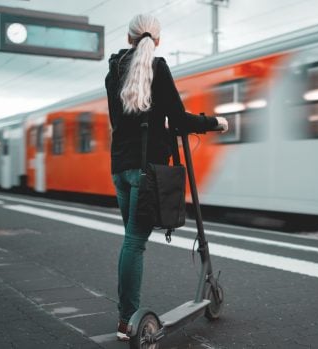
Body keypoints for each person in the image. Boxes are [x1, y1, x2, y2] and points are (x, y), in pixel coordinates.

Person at [104, 14, 228, 341]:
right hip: (148, 170)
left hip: (121, 167)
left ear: (130, 38)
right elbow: (180, 119)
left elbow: (119, 122)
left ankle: (123, 319)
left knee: (131, 242)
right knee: (135, 243)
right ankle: (128, 319)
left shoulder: (113, 72)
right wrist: (215, 121)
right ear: (156, 40)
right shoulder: (157, 68)